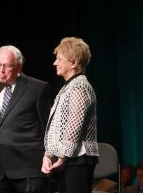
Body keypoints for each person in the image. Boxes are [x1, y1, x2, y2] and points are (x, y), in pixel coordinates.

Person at [0, 45, 52, 193]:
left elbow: (49, 127)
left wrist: (49, 158)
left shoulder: (37, 88)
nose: (1, 70)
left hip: (29, 169)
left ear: (19, 67)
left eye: (6, 66)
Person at [41, 37, 99, 193]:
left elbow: (74, 127)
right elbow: (55, 127)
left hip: (78, 159)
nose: (55, 63)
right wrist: (48, 156)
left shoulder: (80, 87)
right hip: (67, 158)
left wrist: (61, 158)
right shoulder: (68, 88)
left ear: (73, 63)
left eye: (59, 59)